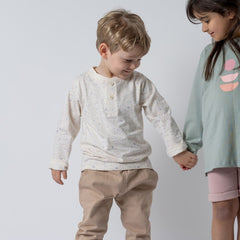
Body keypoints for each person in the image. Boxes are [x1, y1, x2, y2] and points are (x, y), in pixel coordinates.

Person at [49, 9, 197, 240]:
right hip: (97, 171)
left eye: (139, 60)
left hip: (137, 170)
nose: (135, 66)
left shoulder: (141, 84)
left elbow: (161, 115)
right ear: (104, 50)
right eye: (128, 60)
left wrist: (177, 149)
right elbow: (67, 124)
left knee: (139, 231)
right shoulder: (82, 85)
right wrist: (59, 160)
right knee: (90, 230)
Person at [184, 0, 240, 239]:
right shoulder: (208, 54)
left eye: (206, 20)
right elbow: (198, 101)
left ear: (229, 12)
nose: (204, 28)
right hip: (220, 148)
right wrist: (189, 144)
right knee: (222, 208)